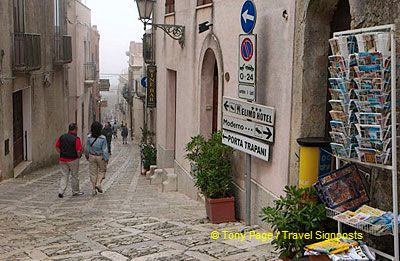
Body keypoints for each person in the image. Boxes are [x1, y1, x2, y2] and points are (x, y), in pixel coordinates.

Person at [56, 123, 84, 198]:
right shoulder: (76, 139)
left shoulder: (62, 137)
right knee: (74, 176)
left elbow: (57, 147)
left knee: (64, 175)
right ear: (75, 129)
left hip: (62, 159)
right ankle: (75, 191)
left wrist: (62, 153)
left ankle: (61, 191)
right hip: (73, 160)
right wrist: (79, 156)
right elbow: (78, 150)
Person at [85, 121, 109, 196]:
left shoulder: (89, 137)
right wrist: (106, 158)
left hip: (92, 156)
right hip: (100, 156)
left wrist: (87, 156)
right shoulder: (103, 138)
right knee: (102, 170)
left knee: (93, 173)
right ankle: (98, 183)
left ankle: (93, 189)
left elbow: (87, 149)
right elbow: (105, 149)